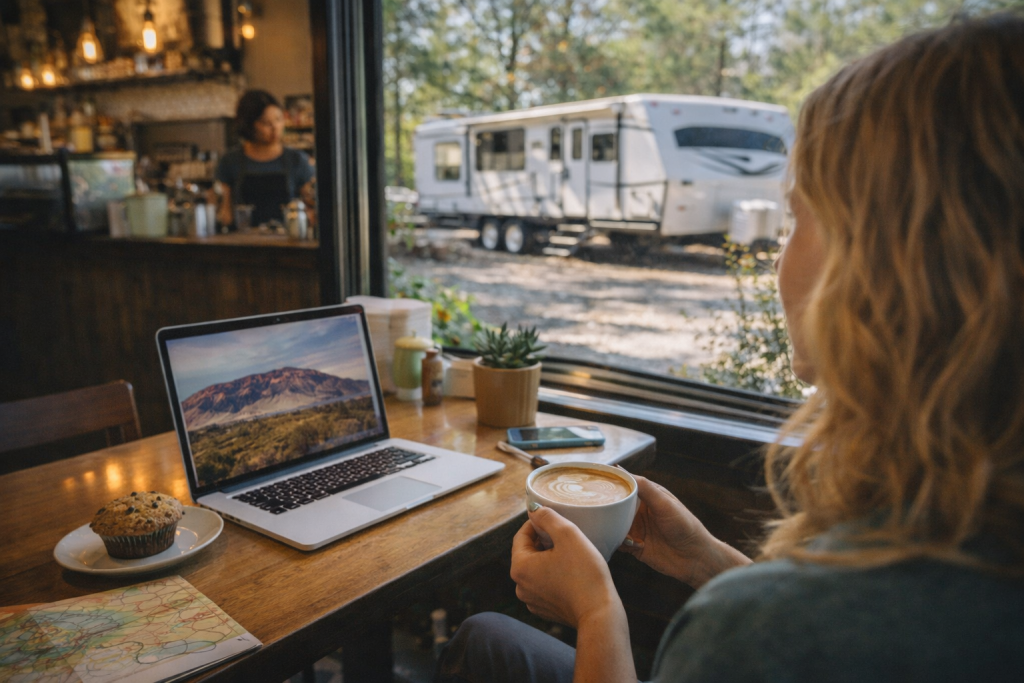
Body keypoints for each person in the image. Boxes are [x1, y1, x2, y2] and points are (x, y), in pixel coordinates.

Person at [435, 12, 1024, 683]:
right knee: (487, 638)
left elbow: (788, 627)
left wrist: (599, 614)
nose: (780, 252)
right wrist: (704, 560)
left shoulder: (750, 633)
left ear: (884, 268)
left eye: (798, 216)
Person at [215, 89, 315, 229]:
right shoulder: (230, 161)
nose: (275, 128)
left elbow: (311, 203)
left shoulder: (297, 160)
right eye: (265, 123)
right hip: (243, 243)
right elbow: (223, 210)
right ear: (248, 125)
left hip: (287, 242)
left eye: (278, 120)